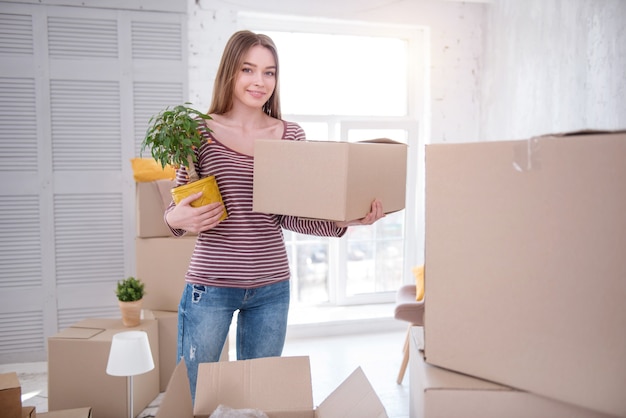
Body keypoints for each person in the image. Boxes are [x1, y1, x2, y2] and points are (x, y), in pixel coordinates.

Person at [164, 30, 385, 401]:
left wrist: (346, 219)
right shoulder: (197, 131)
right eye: (248, 69)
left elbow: (291, 216)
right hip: (211, 285)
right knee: (192, 393)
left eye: (270, 72)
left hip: (271, 288)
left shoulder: (290, 134)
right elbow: (175, 210)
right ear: (230, 72)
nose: (259, 81)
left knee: (259, 397)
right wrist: (177, 220)